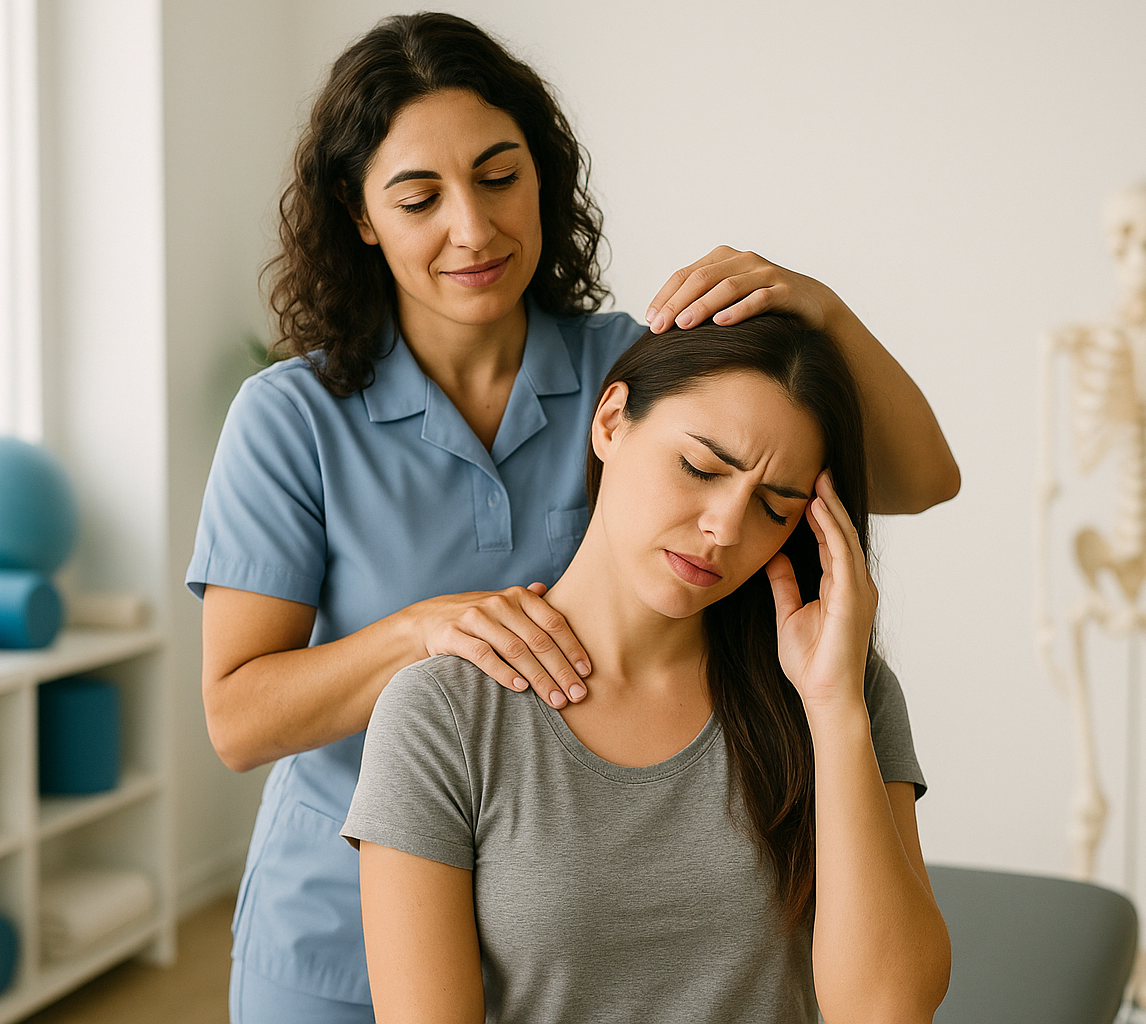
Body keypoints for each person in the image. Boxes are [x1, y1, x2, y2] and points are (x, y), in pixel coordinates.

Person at [189, 12, 959, 1022]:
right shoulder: (293, 418)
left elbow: (899, 473)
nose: (473, 227)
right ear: (361, 214)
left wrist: (818, 308)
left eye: (501, 176)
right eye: (419, 197)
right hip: (339, 936)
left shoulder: (626, 368)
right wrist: (427, 631)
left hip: (570, 903)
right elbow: (240, 720)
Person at [344, 315, 951, 1023]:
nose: (725, 527)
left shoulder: (838, 688)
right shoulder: (441, 715)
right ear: (611, 422)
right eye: (701, 468)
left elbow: (888, 1012)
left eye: (772, 506)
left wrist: (834, 706)